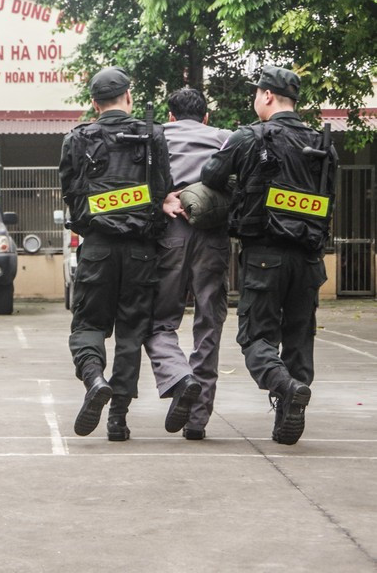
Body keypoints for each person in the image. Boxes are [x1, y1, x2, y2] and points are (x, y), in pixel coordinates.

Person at [201, 65, 336, 445]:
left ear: (267, 96)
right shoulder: (321, 143)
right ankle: (289, 411)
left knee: (256, 339)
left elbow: (211, 176)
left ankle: (283, 386)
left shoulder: (250, 137)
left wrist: (239, 182)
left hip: (264, 255)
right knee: (298, 337)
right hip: (310, 258)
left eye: (256, 92)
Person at [59, 66, 172, 441]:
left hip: (98, 249)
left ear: (94, 103)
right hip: (141, 252)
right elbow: (162, 191)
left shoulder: (78, 139)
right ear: (129, 96)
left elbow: (73, 198)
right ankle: (118, 419)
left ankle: (94, 380)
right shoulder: (152, 135)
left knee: (88, 325)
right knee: (130, 334)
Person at [143, 88, 231, 440]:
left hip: (170, 234)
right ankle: (197, 421)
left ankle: (180, 378)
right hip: (213, 236)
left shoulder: (159, 136)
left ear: (171, 116)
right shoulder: (224, 139)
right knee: (209, 322)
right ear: (206, 117)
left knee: (158, 321)